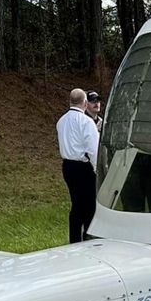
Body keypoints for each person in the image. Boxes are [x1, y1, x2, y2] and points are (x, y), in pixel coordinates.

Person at [56, 88, 100, 243]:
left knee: (76, 203)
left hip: (67, 166)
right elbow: (93, 149)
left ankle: (74, 239)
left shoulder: (61, 121)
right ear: (85, 103)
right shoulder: (86, 122)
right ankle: (88, 238)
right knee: (89, 205)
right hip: (83, 167)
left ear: (70, 101)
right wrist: (97, 169)